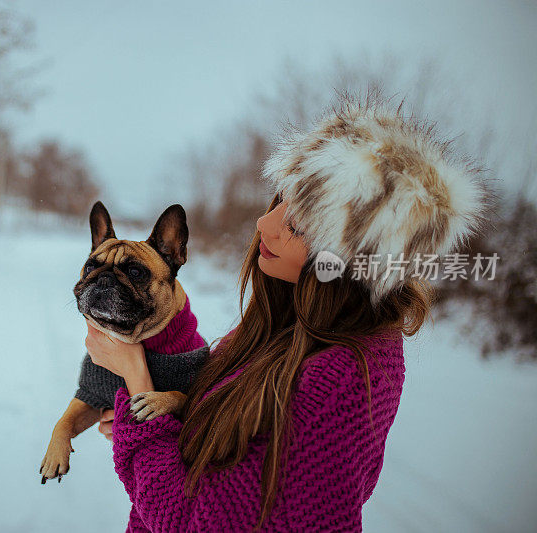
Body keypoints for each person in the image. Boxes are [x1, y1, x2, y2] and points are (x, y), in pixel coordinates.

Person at [84, 92, 493, 532]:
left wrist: (137, 384)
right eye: (278, 201)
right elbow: (222, 459)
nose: (265, 223)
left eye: (296, 223)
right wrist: (162, 420)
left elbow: (195, 523)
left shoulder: (340, 380)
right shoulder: (285, 326)